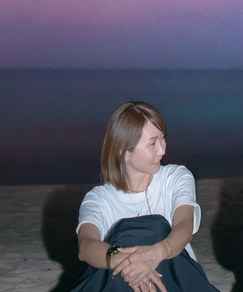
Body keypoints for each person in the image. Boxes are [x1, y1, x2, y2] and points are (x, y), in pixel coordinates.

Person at [74, 101, 217, 292]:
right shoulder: (99, 199)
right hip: (121, 282)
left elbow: (184, 226)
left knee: (156, 227)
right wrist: (130, 264)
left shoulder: (176, 177)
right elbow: (86, 246)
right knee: (125, 236)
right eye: (152, 143)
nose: (162, 150)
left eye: (162, 138)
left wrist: (155, 254)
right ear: (124, 151)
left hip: (176, 278)